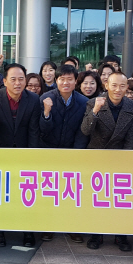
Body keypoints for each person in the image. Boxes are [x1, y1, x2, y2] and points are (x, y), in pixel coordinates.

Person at [80, 72, 133, 252]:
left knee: (120, 200)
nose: (118, 90)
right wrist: (95, 112)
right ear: (106, 85)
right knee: (98, 199)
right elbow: (85, 130)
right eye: (114, 85)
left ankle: (120, 235)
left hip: (120, 159)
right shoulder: (94, 102)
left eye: (122, 86)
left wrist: (125, 160)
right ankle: (96, 234)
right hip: (97, 157)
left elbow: (132, 137)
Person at [0, 63, 40, 247]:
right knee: (2, 193)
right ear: (5, 81)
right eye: (13, 79)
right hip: (2, 152)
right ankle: (0, 230)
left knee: (26, 193)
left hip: (24, 151)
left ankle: (28, 231)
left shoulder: (33, 99)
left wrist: (31, 155)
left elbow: (34, 130)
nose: (17, 83)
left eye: (21, 79)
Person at [38, 64, 89, 244]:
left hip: (72, 152)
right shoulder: (45, 98)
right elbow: (42, 130)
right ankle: (48, 226)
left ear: (76, 81)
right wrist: (46, 112)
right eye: (62, 79)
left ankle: (72, 227)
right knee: (50, 191)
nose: (65, 82)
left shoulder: (84, 102)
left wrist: (76, 154)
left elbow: (83, 131)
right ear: (56, 80)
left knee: (71, 192)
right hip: (49, 152)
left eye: (70, 79)